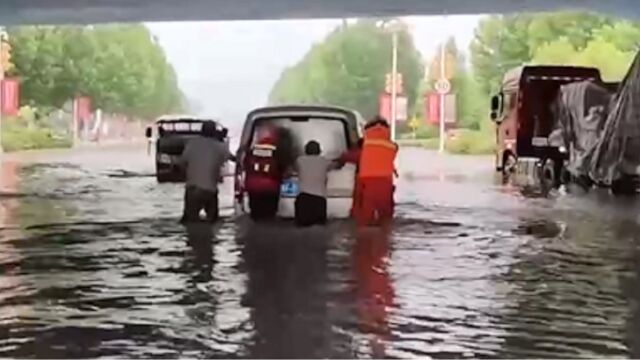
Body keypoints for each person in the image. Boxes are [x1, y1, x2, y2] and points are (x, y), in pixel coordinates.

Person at [179, 121, 235, 223]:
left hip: (192, 189)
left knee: (189, 221)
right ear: (214, 132)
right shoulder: (220, 146)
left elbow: (183, 163)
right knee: (213, 221)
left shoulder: (192, 143)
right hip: (209, 190)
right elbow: (233, 158)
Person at [354, 117, 398, 227]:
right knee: (386, 219)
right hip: (386, 183)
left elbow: (352, 156)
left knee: (365, 220)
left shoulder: (364, 144)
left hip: (366, 183)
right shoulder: (392, 146)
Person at [244, 125, 287, 220]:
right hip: (271, 188)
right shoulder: (278, 150)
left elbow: (245, 164)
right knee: (269, 217)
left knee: (255, 216)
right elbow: (282, 166)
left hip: (253, 187)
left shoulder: (253, 149)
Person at [294, 140, 341, 227]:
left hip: (303, 199)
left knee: (302, 226)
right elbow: (338, 165)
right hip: (319, 200)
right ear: (319, 151)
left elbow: (293, 169)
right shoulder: (324, 161)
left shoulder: (299, 160)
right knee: (319, 226)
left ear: (306, 150)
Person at [339, 138, 364, 217]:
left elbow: (343, 157)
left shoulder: (357, 153)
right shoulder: (375, 153)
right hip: (379, 179)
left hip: (361, 178)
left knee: (358, 200)